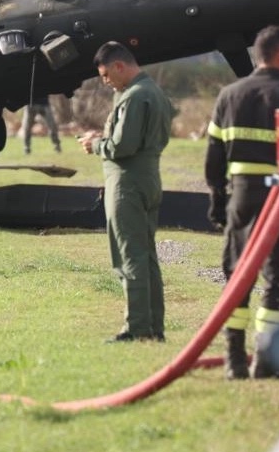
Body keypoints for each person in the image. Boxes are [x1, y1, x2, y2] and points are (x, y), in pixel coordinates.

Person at [205, 26, 279, 379]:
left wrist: (218, 200)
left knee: (238, 273)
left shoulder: (229, 95)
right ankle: (267, 358)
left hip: (243, 197)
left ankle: (235, 358)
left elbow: (213, 158)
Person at [79, 41, 173, 342]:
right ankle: (153, 327)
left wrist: (95, 145)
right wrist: (104, 136)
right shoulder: (153, 92)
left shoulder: (134, 96)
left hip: (127, 184)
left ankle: (137, 328)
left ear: (119, 66)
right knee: (147, 257)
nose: (106, 82)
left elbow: (123, 146)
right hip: (148, 178)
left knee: (129, 255)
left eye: (106, 75)